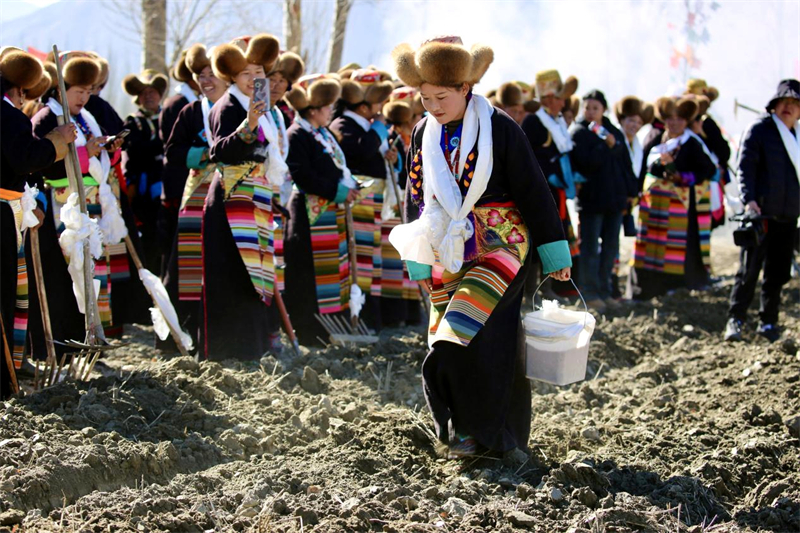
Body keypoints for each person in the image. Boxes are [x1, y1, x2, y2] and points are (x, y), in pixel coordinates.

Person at [389, 36, 571, 458]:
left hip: (504, 245)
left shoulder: (500, 127)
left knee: (483, 337)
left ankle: (500, 438)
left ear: (465, 89)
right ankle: (466, 433)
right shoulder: (422, 133)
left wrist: (555, 252)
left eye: (441, 97)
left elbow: (533, 190)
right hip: (446, 245)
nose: (432, 106)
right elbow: (415, 194)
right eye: (425, 98)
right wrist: (416, 252)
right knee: (446, 340)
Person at [31, 54, 130, 341]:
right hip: (66, 204)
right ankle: (70, 338)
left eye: (89, 91)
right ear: (62, 88)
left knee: (92, 268)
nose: (85, 97)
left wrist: (106, 148)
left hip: (90, 200)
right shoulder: (48, 117)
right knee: (71, 270)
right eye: (79, 91)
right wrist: (89, 152)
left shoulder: (84, 118)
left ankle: (93, 336)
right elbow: (44, 162)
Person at [202, 33, 282, 360]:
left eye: (259, 74)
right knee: (236, 275)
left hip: (254, 197)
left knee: (255, 273)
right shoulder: (228, 105)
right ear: (232, 77)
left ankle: (254, 345)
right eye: (247, 74)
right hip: (232, 200)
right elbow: (219, 150)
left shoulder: (263, 110)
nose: (254, 80)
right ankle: (233, 350)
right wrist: (248, 124)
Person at [1, 48, 75, 397]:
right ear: (17, 90)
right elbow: (25, 159)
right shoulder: (9, 116)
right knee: (4, 295)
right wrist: (57, 142)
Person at [283, 75, 359, 346]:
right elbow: (302, 175)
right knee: (307, 273)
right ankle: (308, 331)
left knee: (328, 272)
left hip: (327, 212)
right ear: (313, 110)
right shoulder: (296, 134)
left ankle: (326, 329)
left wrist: (351, 185)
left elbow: (337, 167)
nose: (331, 111)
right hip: (306, 214)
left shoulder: (322, 133)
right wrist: (338, 191)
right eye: (327, 106)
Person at [161, 43, 227, 349]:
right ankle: (183, 334)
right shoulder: (190, 111)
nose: (205, 79)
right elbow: (172, 151)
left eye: (211, 72)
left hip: (230, 195)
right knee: (187, 265)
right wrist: (207, 155)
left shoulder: (235, 107)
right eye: (200, 74)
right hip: (198, 194)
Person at [725, 79, 800, 343]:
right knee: (749, 270)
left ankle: (768, 322)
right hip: (762, 213)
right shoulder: (760, 129)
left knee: (778, 273)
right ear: (775, 104)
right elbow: (746, 167)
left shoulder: (797, 137)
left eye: (795, 103)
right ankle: (736, 319)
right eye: (785, 101)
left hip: (789, 214)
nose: (789, 107)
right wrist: (750, 201)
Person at [627, 96, 717, 300]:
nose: (674, 123)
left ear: (686, 121)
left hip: (680, 211)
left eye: (680, 119)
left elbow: (708, 169)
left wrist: (682, 177)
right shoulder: (656, 139)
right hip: (654, 209)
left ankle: (677, 286)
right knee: (651, 248)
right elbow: (643, 170)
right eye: (670, 118)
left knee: (676, 250)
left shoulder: (692, 144)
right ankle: (647, 288)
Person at [329, 69, 395, 329]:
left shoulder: (367, 126)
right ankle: (359, 318)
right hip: (358, 204)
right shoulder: (343, 125)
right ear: (364, 104)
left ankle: (373, 319)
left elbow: (376, 154)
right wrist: (379, 129)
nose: (381, 108)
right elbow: (362, 151)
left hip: (374, 206)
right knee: (360, 262)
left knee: (372, 263)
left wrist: (390, 156)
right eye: (378, 102)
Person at [569, 89, 636, 312]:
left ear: (603, 110)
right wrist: (603, 145)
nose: (590, 112)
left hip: (614, 201)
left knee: (610, 248)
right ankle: (589, 292)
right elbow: (585, 163)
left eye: (594, 108)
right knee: (589, 248)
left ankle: (605, 291)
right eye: (587, 107)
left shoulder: (613, 131)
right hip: (591, 201)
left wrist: (630, 192)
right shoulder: (578, 132)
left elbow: (625, 164)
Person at [520, 70, 580, 298]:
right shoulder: (535, 121)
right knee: (538, 237)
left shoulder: (555, 121)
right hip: (540, 189)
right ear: (549, 99)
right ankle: (532, 290)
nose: (564, 102)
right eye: (560, 97)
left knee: (554, 233)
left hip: (556, 190)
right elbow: (529, 157)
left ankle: (547, 288)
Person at [265, 51, 305, 295]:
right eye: (272, 78)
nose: (277, 85)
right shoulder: (257, 110)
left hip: (278, 193)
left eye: (282, 80)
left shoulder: (278, 113)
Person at [158, 50, 200, 278]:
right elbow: (173, 146)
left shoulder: (192, 101)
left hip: (187, 183)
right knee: (174, 246)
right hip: (178, 183)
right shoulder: (179, 104)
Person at [122, 69, 169, 274]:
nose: (149, 96)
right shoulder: (133, 122)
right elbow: (135, 153)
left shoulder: (170, 116)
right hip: (144, 192)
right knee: (149, 235)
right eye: (144, 92)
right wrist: (160, 146)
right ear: (138, 97)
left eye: (153, 91)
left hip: (169, 185)